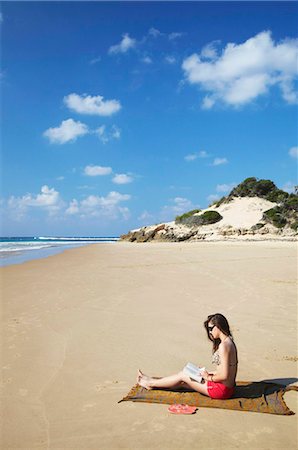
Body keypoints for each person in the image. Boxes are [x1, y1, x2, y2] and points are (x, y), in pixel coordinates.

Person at [137, 313, 238, 400]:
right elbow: (227, 370)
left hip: (221, 391)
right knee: (183, 381)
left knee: (182, 376)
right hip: (227, 388)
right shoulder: (229, 342)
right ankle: (152, 381)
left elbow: (224, 375)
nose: (210, 332)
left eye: (211, 328)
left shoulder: (223, 346)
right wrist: (206, 373)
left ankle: (150, 384)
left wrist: (208, 377)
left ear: (219, 326)